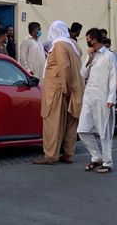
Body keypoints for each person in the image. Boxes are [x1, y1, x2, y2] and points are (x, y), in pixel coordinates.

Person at [33, 21, 84, 165]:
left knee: (52, 121)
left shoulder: (60, 45)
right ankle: (68, 153)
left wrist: (64, 87)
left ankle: (50, 155)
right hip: (74, 89)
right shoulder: (74, 45)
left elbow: (64, 67)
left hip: (57, 89)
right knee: (70, 123)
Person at [78, 29, 117, 174]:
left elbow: (113, 78)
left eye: (88, 39)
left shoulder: (109, 56)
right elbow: (83, 74)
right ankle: (96, 157)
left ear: (94, 39)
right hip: (89, 96)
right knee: (82, 129)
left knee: (104, 131)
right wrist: (89, 59)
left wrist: (111, 98)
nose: (87, 41)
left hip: (103, 97)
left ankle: (108, 162)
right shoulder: (91, 56)